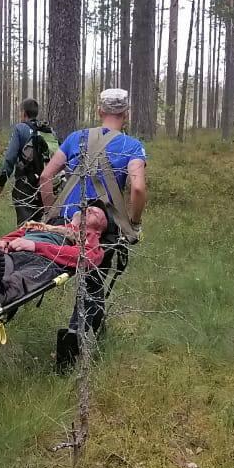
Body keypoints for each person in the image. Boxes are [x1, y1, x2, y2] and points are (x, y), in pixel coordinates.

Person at [38, 88, 148, 370]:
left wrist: (52, 214)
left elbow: (45, 176)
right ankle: (74, 337)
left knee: (75, 277)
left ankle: (88, 333)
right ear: (126, 114)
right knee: (94, 284)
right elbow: (137, 187)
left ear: (99, 111)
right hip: (103, 227)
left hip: (66, 222)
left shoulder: (76, 138)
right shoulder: (132, 146)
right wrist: (133, 223)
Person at [0, 206, 111, 316]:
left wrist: (35, 246)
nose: (87, 210)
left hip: (44, 262)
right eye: (88, 208)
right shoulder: (46, 225)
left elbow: (86, 257)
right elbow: (11, 237)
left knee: (17, 281)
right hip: (13, 253)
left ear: (98, 231)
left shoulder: (90, 237)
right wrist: (2, 243)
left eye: (95, 213)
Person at [0, 97, 59, 225]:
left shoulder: (20, 129)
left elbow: (10, 158)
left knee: (25, 227)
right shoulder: (48, 130)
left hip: (25, 186)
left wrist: (1, 182)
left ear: (24, 113)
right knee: (42, 226)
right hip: (46, 186)